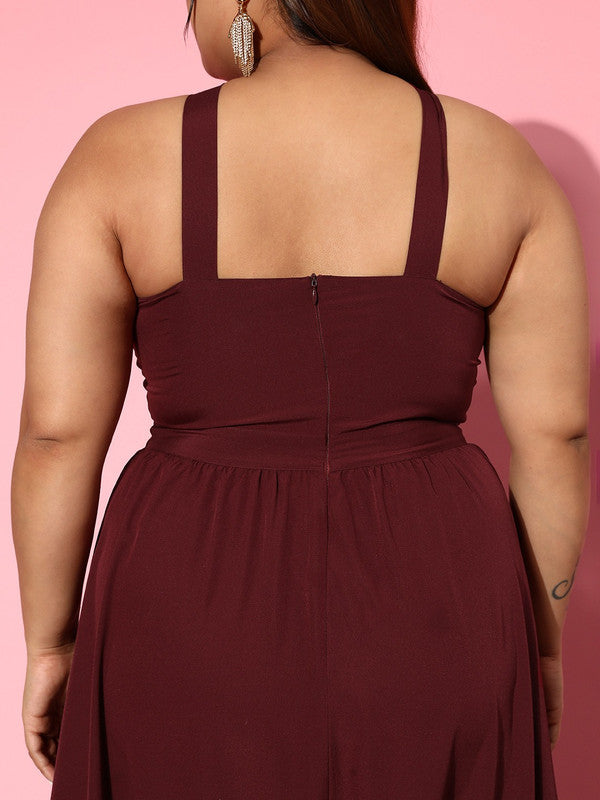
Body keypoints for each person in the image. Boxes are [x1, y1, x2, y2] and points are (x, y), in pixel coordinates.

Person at [11, 0, 590, 797]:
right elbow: (558, 435)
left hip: (188, 596)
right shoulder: (497, 159)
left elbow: (56, 437)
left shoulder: (120, 155)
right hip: (439, 596)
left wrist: (50, 645)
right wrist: (544, 647)